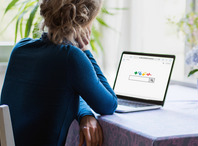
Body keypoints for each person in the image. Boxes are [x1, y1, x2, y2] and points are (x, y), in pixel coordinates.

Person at [0, 0, 118, 145]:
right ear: (86, 21)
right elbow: (109, 104)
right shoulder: (72, 57)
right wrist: (86, 50)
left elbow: (66, 91)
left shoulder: (20, 48)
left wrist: (85, 113)